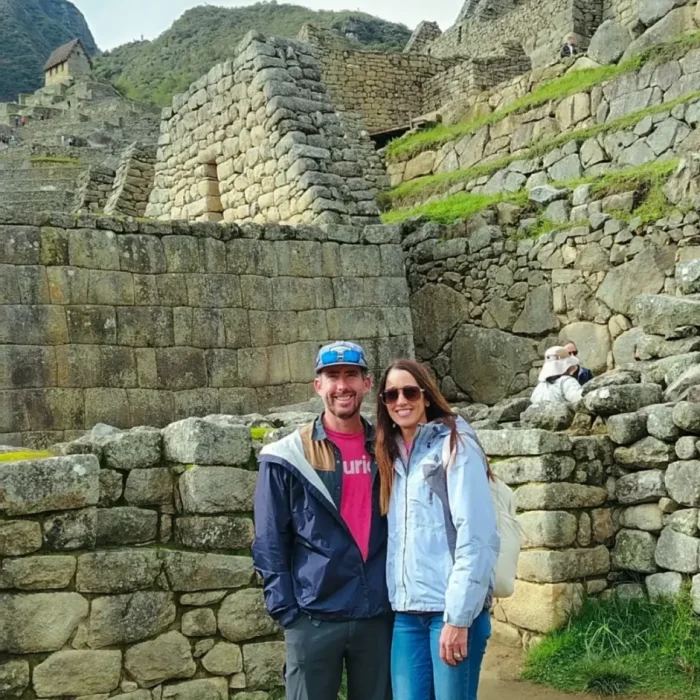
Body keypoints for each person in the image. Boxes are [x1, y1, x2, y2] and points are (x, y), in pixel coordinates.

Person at [252, 341, 392, 700]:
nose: (342, 386)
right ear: (318, 386)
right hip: (313, 615)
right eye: (332, 376)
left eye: (351, 375)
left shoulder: (389, 450)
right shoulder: (287, 456)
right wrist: (288, 612)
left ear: (367, 383)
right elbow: (270, 540)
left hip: (377, 613)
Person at [375, 359, 499, 700]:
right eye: (391, 395)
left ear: (426, 396)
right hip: (406, 614)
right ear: (384, 404)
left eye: (410, 391)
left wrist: (458, 618)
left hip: (450, 613)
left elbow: (477, 536)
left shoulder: (455, 444)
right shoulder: (390, 456)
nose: (401, 401)